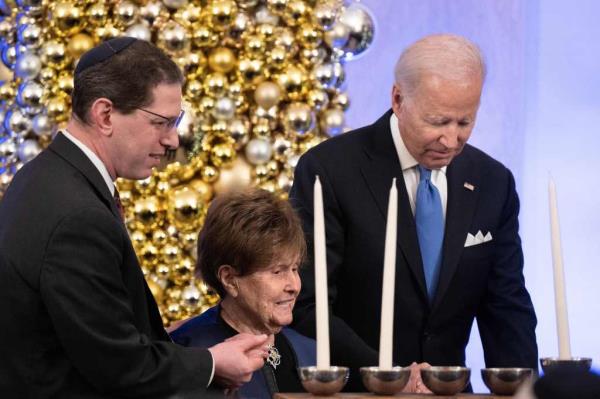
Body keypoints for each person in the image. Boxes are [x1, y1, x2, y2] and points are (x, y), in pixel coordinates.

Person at [0, 37, 268, 398]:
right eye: (161, 122)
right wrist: (210, 363)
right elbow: (119, 368)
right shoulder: (77, 216)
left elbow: (86, 332)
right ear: (105, 114)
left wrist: (168, 341)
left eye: (177, 121)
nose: (173, 140)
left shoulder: (42, 175)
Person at [289, 34, 538, 392]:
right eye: (438, 122)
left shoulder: (492, 181)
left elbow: (507, 306)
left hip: (448, 392)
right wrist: (390, 374)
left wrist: (526, 392)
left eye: (464, 122)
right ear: (398, 99)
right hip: (358, 390)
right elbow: (307, 303)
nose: (451, 141)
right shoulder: (329, 169)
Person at [170, 188, 316, 398]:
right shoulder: (186, 355)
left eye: (294, 269)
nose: (294, 285)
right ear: (229, 279)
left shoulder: (311, 352)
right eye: (277, 271)